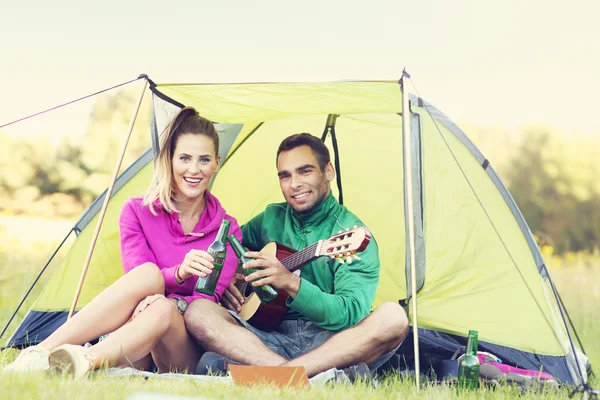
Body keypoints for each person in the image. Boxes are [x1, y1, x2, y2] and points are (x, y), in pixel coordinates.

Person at [4, 107, 241, 378]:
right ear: (170, 160)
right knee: (149, 279)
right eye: (185, 158)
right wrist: (178, 274)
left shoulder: (227, 231)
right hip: (137, 333)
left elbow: (205, 303)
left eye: (204, 160)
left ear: (217, 163)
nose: (194, 169)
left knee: (162, 307)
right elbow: (139, 279)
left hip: (181, 346)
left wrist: (173, 299)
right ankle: (42, 354)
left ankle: (84, 357)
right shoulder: (137, 211)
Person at [184, 133, 408, 380]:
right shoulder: (271, 218)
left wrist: (291, 283)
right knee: (199, 312)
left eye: (305, 171)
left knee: (393, 318)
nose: (294, 184)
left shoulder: (350, 235)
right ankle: (302, 377)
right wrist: (227, 279)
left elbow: (349, 314)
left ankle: (278, 375)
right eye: (285, 175)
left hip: (330, 345)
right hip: (266, 338)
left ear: (328, 172)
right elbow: (227, 245)